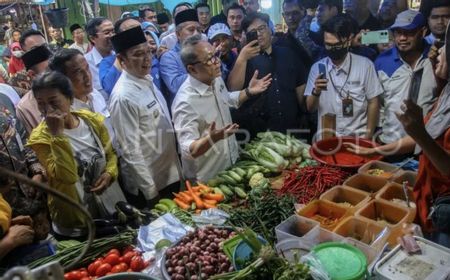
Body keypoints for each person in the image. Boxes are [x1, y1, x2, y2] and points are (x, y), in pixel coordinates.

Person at [345, 43, 450, 248]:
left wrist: (420, 134)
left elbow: (441, 158)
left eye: (446, 49)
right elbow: (423, 137)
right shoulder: (446, 93)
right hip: (430, 197)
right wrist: (374, 151)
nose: (437, 53)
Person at [27, 71, 123, 239]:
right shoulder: (40, 138)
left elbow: (111, 155)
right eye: (41, 103)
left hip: (109, 208)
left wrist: (110, 173)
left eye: (53, 102)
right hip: (75, 222)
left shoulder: (91, 122)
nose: (47, 110)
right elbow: (67, 176)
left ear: (70, 99)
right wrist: (57, 135)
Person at [172, 35, 271, 181]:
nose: (217, 62)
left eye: (216, 55)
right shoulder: (185, 102)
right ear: (192, 69)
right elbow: (189, 150)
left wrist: (248, 91)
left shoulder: (215, 79)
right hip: (208, 179)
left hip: (230, 167)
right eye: (210, 59)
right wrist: (212, 138)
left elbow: (227, 100)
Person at [109, 26, 182, 209]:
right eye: (138, 54)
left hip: (169, 173)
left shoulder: (146, 80)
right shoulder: (123, 96)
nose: (147, 58)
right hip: (150, 185)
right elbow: (130, 150)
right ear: (121, 59)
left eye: (148, 52)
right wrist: (151, 193)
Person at [228, 12, 308, 140]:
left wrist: (304, 114)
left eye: (261, 28)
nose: (259, 33)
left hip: (291, 128)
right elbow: (233, 90)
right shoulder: (243, 59)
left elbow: (300, 85)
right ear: (246, 35)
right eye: (253, 32)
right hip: (259, 133)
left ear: (270, 30)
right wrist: (242, 58)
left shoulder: (288, 53)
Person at [304, 15, 382, 140]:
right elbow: (310, 108)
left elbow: (373, 102)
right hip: (327, 140)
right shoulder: (317, 68)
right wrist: (316, 91)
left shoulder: (365, 65)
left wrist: (368, 135)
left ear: (349, 39)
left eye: (337, 45)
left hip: (357, 139)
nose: (332, 49)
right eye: (328, 45)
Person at [375, 10, 437, 145]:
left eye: (409, 32)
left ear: (423, 31)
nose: (402, 38)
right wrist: (379, 132)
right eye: (398, 32)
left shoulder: (436, 58)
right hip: (391, 143)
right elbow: (378, 103)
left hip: (429, 144)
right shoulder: (382, 61)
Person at [0, 92, 49, 242]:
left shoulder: (4, 100)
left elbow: (23, 139)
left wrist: (37, 170)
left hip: (34, 194)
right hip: (8, 216)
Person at [48, 48, 114, 145]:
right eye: (78, 72)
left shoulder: (95, 95)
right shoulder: (64, 113)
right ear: (63, 79)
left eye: (87, 68)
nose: (87, 76)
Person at [160, 9, 202, 106]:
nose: (196, 34)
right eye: (191, 30)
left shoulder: (205, 51)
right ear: (178, 34)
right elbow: (175, 86)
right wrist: (203, 67)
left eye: (199, 30)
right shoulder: (169, 57)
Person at [16, 31, 52, 134]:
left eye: (44, 46)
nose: (43, 50)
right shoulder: (26, 107)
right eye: (35, 49)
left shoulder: (70, 87)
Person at [84, 18, 115, 102]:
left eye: (113, 31)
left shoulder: (121, 57)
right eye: (107, 33)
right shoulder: (85, 64)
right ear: (93, 38)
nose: (112, 35)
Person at [275, 0, 312, 67]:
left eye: (295, 13)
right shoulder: (279, 43)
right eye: (287, 14)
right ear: (283, 16)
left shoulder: (314, 38)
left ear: (303, 12)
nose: (290, 17)